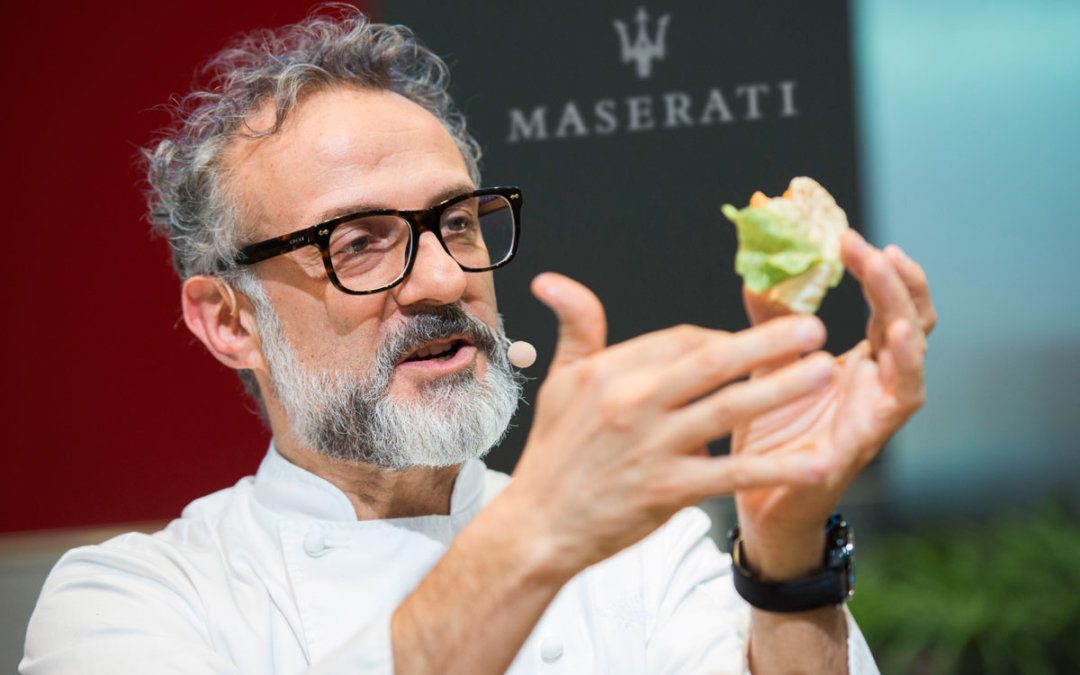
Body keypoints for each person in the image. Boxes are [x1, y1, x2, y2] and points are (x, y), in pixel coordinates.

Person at [21, 7, 934, 674]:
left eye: (456, 221)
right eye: (359, 242)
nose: (443, 279)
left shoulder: (645, 552)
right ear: (229, 320)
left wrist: (785, 551)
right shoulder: (136, 598)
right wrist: (536, 533)